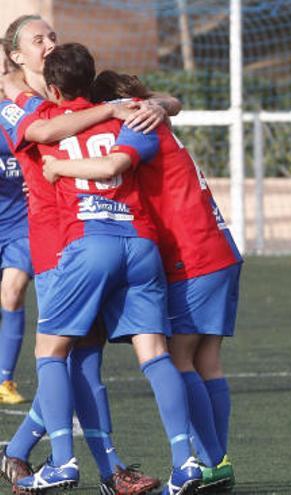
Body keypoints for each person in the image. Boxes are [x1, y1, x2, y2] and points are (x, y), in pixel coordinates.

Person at [9, 43, 200, 495]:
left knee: (51, 352)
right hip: (140, 245)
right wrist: (141, 104)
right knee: (154, 354)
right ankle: (185, 461)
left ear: (53, 88)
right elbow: (165, 108)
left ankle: (62, 461)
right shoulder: (126, 117)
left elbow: (36, 129)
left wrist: (59, 168)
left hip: (87, 246)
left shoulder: (50, 130)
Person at [43, 69, 242, 491]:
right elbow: (171, 102)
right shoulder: (157, 118)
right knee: (207, 359)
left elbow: (113, 164)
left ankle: (205, 462)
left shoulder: (135, 126)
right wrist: (160, 103)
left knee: (178, 357)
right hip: (218, 248)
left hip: (192, 254)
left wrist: (59, 167)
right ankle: (215, 461)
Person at [0, 61, 31, 406]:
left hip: (22, 224)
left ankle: (4, 380)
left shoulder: (24, 111)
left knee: (12, 291)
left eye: (7, 65)